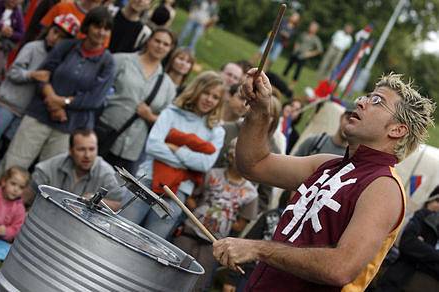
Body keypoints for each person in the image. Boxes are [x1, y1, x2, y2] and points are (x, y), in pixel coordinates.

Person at [212, 70, 435, 291]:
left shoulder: (384, 187)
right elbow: (253, 165)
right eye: (367, 95)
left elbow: (341, 267)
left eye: (377, 101)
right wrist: (260, 110)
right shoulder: (328, 164)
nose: (360, 102)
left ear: (397, 130)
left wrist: (259, 249)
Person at [0, 7, 115, 187]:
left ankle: (23, 214)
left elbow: (94, 98)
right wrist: (53, 103)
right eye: (97, 26)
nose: (101, 32)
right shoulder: (67, 46)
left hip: (68, 127)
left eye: (106, 28)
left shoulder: (108, 61)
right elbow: (43, 75)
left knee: (47, 178)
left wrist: (61, 102)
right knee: (12, 165)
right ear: (88, 27)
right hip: (39, 115)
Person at [122, 71, 225, 239]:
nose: (209, 99)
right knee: (122, 228)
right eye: (206, 93)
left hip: (178, 191)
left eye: (215, 97)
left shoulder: (217, 131)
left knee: (150, 243)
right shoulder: (172, 113)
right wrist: (189, 160)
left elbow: (205, 164)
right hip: (148, 177)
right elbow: (153, 146)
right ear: (197, 90)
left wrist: (176, 149)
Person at [174, 138, 258, 291]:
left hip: (214, 244)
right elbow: (192, 198)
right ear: (230, 155)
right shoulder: (212, 173)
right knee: (173, 271)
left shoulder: (251, 194)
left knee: (197, 284)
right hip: (190, 231)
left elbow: (240, 224)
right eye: (236, 155)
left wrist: (222, 218)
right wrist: (200, 212)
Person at [0, 14, 80, 155]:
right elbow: (12, 72)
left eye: (62, 37)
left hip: (26, 111)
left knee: (7, 147)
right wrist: (31, 75)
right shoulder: (33, 47)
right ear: (49, 30)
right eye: (55, 32)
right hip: (8, 103)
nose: (55, 38)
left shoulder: (62, 60)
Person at [99, 28, 176, 173]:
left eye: (166, 44)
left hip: (131, 149)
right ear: (149, 41)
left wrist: (150, 116)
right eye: (157, 41)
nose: (160, 46)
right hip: (104, 133)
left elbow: (169, 122)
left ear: (170, 49)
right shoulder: (121, 61)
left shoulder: (168, 85)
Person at [27, 129, 124, 210]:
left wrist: (96, 200)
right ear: (70, 150)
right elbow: (27, 197)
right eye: (81, 149)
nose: (87, 155)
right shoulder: (49, 167)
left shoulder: (107, 174)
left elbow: (119, 204)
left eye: (91, 149)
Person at [375, 186, 439, 292]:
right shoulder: (422, 217)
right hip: (396, 281)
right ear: (430, 201)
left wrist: (422, 249)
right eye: (437, 201)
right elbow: (408, 243)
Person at [0, 166, 29, 260]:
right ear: (4, 182)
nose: (16, 189)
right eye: (13, 184)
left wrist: (6, 231)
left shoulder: (19, 208)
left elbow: (17, 228)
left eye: (21, 187)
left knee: (9, 252)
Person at [282, 21, 323, 88]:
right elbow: (298, 41)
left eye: (313, 27)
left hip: (303, 57)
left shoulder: (316, 39)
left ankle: (292, 85)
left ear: (316, 29)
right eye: (310, 26)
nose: (311, 27)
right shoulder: (304, 34)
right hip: (296, 53)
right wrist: (296, 47)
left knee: (298, 71)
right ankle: (282, 78)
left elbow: (320, 50)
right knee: (288, 66)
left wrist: (310, 54)